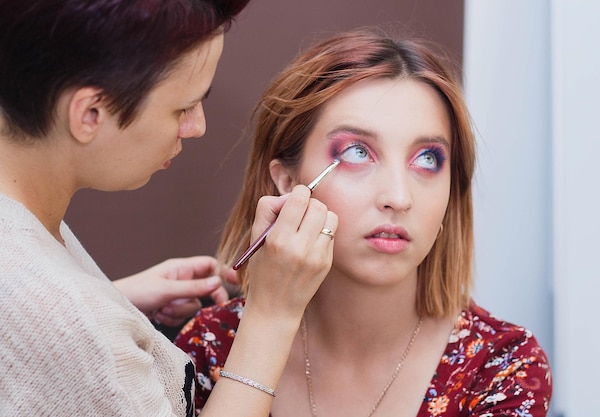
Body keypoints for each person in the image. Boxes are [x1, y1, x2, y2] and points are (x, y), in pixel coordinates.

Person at [176, 28, 553, 417]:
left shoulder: (502, 369)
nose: (398, 197)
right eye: (358, 152)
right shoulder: (211, 347)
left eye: (427, 159)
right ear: (288, 182)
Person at [0, 1, 338, 416]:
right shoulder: (68, 321)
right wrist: (273, 313)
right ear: (89, 113)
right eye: (182, 108)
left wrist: (114, 304)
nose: (198, 126)